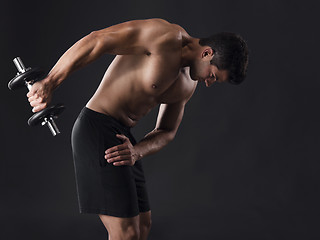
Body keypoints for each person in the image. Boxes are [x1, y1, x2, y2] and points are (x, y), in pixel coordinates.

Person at [26, 18, 249, 240]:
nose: (209, 82)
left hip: (123, 138)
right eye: (212, 75)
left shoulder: (188, 85)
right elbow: (98, 40)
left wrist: (137, 151)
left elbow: (167, 131)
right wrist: (50, 82)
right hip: (97, 127)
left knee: (142, 226)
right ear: (207, 53)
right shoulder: (164, 36)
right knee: (126, 234)